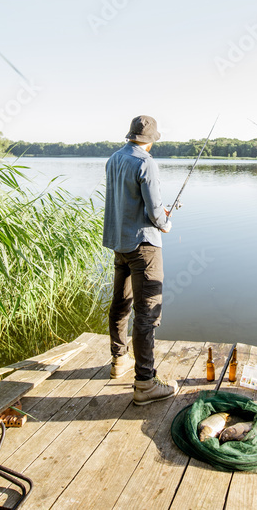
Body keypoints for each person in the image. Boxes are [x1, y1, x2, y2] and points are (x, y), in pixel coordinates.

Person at [103, 115, 179, 405]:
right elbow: (154, 208)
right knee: (147, 313)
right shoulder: (146, 163)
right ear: (150, 140)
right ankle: (145, 382)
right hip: (144, 247)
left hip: (119, 244)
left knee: (120, 303)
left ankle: (118, 360)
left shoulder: (113, 159)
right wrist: (166, 224)